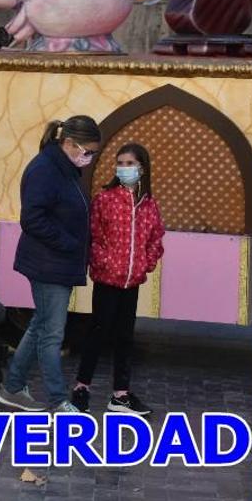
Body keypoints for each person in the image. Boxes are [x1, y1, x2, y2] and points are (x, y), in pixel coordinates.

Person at [0, 115, 102, 414]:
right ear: (68, 143)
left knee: (41, 325)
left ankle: (13, 387)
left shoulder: (65, 168)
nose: (89, 157)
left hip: (58, 262)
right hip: (49, 264)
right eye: (87, 151)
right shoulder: (45, 169)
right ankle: (57, 400)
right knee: (52, 333)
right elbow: (32, 219)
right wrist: (70, 244)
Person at [71, 143, 163, 416]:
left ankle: (120, 395)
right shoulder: (105, 199)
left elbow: (155, 239)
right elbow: (94, 236)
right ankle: (81, 388)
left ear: (141, 168)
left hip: (132, 282)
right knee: (98, 333)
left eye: (129, 163)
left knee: (125, 336)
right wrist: (106, 263)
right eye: (120, 163)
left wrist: (145, 264)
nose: (123, 168)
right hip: (107, 280)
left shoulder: (148, 205)